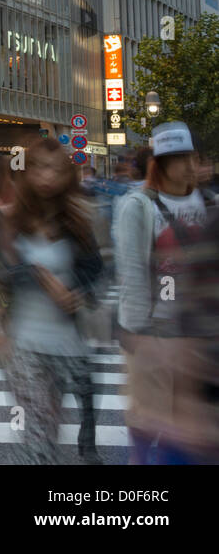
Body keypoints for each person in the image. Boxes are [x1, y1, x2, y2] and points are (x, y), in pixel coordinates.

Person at [0, 138, 104, 464]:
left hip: (65, 341)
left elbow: (94, 269)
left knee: (49, 429)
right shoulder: (2, 221)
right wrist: (33, 275)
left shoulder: (76, 221)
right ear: (26, 172)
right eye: (39, 167)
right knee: (39, 434)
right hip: (21, 343)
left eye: (56, 169)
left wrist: (77, 294)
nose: (47, 177)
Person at [113, 122, 217, 463]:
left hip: (201, 334)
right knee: (148, 419)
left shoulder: (212, 203)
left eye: (193, 157)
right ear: (159, 162)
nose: (189, 165)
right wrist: (136, 333)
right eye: (178, 158)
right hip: (154, 332)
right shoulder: (139, 205)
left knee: (192, 426)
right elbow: (131, 273)